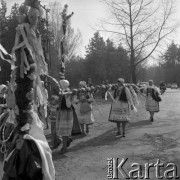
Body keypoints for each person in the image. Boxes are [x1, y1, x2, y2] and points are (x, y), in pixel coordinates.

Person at [56, 79, 74, 154]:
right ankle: (67, 141)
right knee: (64, 131)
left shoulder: (67, 93)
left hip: (65, 113)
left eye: (60, 84)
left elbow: (68, 105)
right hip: (63, 112)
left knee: (64, 131)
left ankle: (64, 148)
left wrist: (67, 98)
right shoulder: (64, 92)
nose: (59, 86)